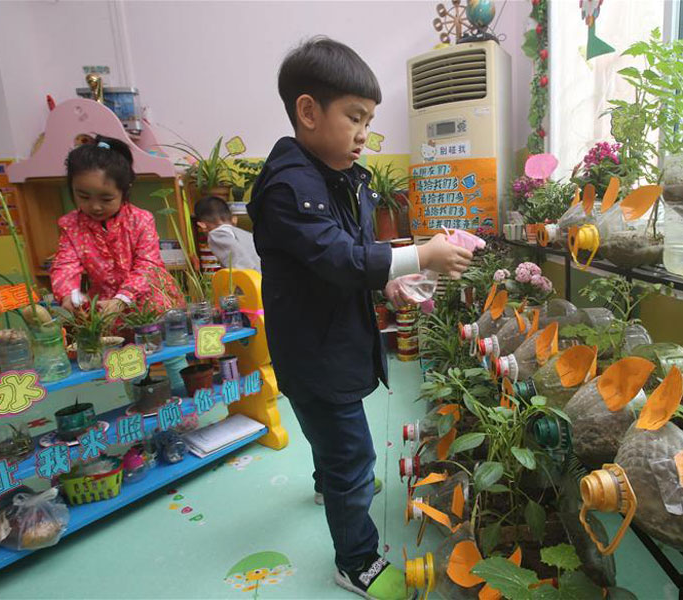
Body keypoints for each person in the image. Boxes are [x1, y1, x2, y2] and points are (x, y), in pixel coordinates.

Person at [248, 37, 473, 599]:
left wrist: (391, 278)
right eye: (354, 117)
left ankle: (330, 484)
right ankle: (356, 562)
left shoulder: (337, 175)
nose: (363, 132)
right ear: (308, 111)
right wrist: (423, 254)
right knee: (353, 453)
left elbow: (348, 253)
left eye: (368, 120)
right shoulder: (290, 186)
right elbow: (339, 257)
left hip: (327, 340)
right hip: (315, 349)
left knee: (331, 438)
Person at [51, 135, 187, 392]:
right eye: (83, 196)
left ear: (124, 192)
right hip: (108, 310)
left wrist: (123, 298)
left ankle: (187, 409)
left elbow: (148, 265)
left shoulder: (140, 220)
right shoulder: (70, 225)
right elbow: (65, 265)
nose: (94, 206)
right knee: (130, 364)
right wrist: (69, 295)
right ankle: (140, 412)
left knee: (172, 356)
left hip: (153, 303)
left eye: (106, 198)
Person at [193, 196, 261, 271]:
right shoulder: (246, 234)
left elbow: (239, 262)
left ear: (202, 225)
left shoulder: (216, 235)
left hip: (252, 278)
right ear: (234, 219)